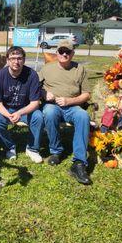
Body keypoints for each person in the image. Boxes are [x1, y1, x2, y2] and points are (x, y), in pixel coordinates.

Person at [38, 39, 91, 185]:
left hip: (72, 105)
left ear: (72, 53)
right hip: (52, 105)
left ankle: (79, 163)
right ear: (57, 52)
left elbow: (87, 94)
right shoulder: (47, 68)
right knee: (49, 112)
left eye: (68, 51)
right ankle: (56, 151)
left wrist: (69, 101)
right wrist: (43, 94)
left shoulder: (80, 69)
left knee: (83, 116)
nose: (64, 54)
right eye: (61, 51)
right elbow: (35, 86)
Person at [0, 46, 44, 162]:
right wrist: (8, 115)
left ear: (24, 60)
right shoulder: (0, 76)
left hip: (25, 109)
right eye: (12, 58)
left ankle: (32, 149)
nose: (16, 61)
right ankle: (9, 147)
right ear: (8, 60)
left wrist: (19, 113)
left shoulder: (32, 75)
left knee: (38, 117)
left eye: (19, 58)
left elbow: (35, 103)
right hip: (5, 108)